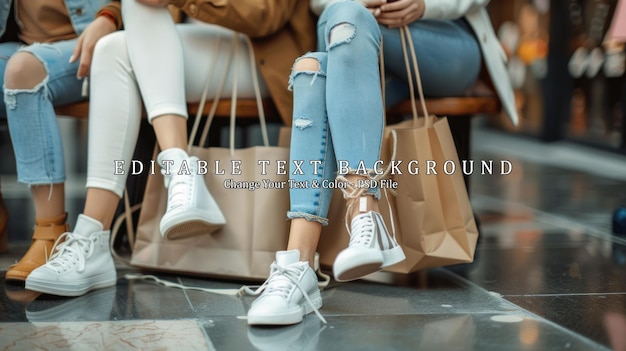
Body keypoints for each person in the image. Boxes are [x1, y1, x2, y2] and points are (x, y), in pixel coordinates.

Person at [246, 0, 519, 326]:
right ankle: (356, 224)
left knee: (324, 63)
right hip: (351, 35)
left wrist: (425, 4)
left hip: (437, 38)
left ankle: (300, 267)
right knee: (332, 44)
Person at [23, 0, 316, 296]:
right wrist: (108, 16)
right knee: (112, 47)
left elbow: (267, 13)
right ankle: (94, 234)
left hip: (261, 55)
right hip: (173, 45)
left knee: (118, 45)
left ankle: (169, 178)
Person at [1, 0, 119, 282]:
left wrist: (111, 16)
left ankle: (50, 232)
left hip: (95, 43)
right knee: (23, 63)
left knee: (23, 70)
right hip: (25, 46)